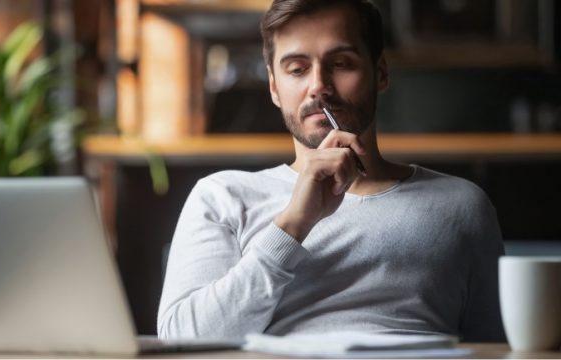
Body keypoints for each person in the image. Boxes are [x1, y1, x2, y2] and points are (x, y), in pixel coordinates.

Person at [157, 0, 505, 341]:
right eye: (297, 69)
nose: (319, 85)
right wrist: (293, 224)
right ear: (275, 87)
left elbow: (500, 348)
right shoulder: (222, 197)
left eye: (340, 63)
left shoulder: (462, 205)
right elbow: (184, 340)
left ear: (380, 72)